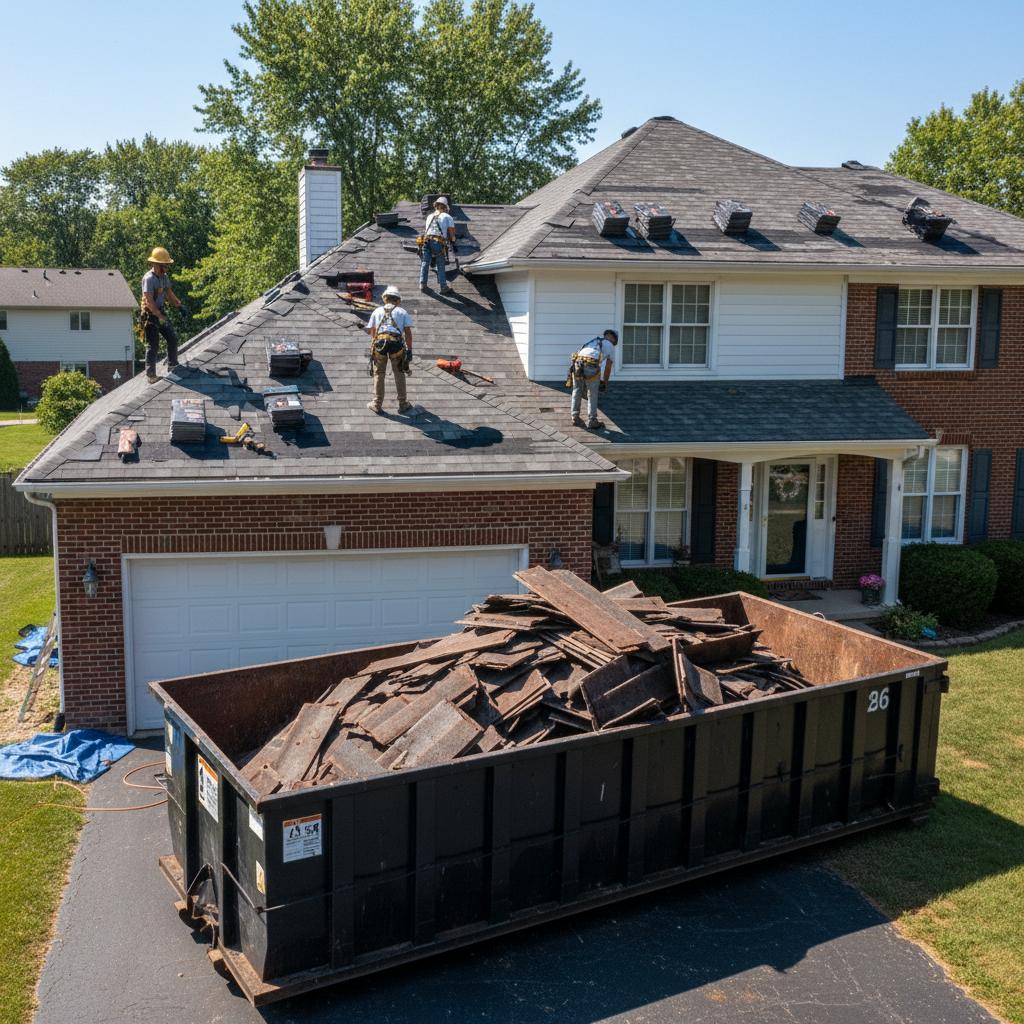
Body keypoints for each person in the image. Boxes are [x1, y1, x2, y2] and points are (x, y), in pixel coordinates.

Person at [140, 246, 188, 383]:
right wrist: (159, 317)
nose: (165, 270)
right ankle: (151, 375)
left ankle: (173, 365)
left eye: (166, 267)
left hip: (160, 311)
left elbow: (168, 294)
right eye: (162, 267)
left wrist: (179, 305)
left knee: (172, 338)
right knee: (153, 344)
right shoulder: (149, 279)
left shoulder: (164, 277)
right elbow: (149, 301)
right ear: (155, 265)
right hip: (149, 314)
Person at [368, 285, 414, 414]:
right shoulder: (402, 312)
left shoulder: (377, 311)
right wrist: (409, 350)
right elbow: (408, 333)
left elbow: (372, 330)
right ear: (398, 300)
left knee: (379, 374)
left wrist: (375, 343)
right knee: (399, 373)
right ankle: (403, 404)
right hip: (396, 344)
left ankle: (377, 403)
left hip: (380, 344)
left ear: (385, 298)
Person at [568, 330, 618, 429]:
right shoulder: (611, 346)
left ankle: (575, 417)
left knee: (577, 389)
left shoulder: (594, 341)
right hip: (590, 363)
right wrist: (604, 382)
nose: (610, 339)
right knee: (592, 392)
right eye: (612, 339)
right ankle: (592, 420)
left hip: (577, 362)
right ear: (613, 340)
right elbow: (608, 367)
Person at [420, 196, 456, 295]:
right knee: (440, 264)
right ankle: (443, 286)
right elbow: (452, 235)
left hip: (426, 241)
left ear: (436, 207)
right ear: (446, 208)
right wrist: (453, 240)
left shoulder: (429, 216)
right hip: (438, 241)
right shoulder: (447, 217)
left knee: (425, 262)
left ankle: (423, 284)